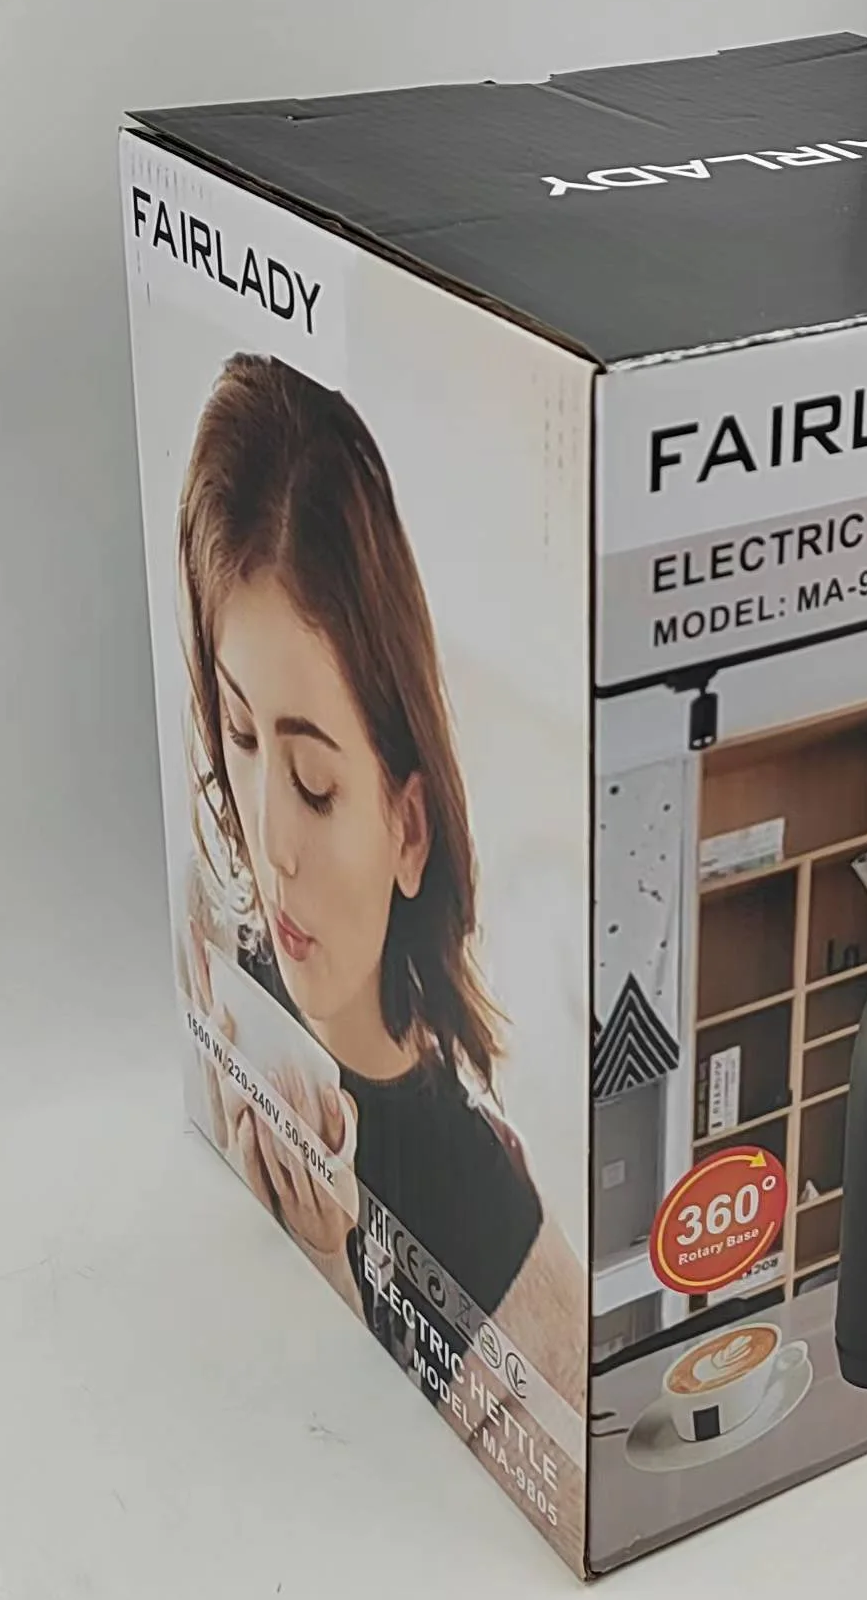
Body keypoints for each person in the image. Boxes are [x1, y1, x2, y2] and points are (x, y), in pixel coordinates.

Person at [173, 352, 585, 1417]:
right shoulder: (215, 970)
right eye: (241, 736)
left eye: (315, 787)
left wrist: (332, 1282)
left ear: (409, 830)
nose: (270, 843)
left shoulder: (503, 1232)